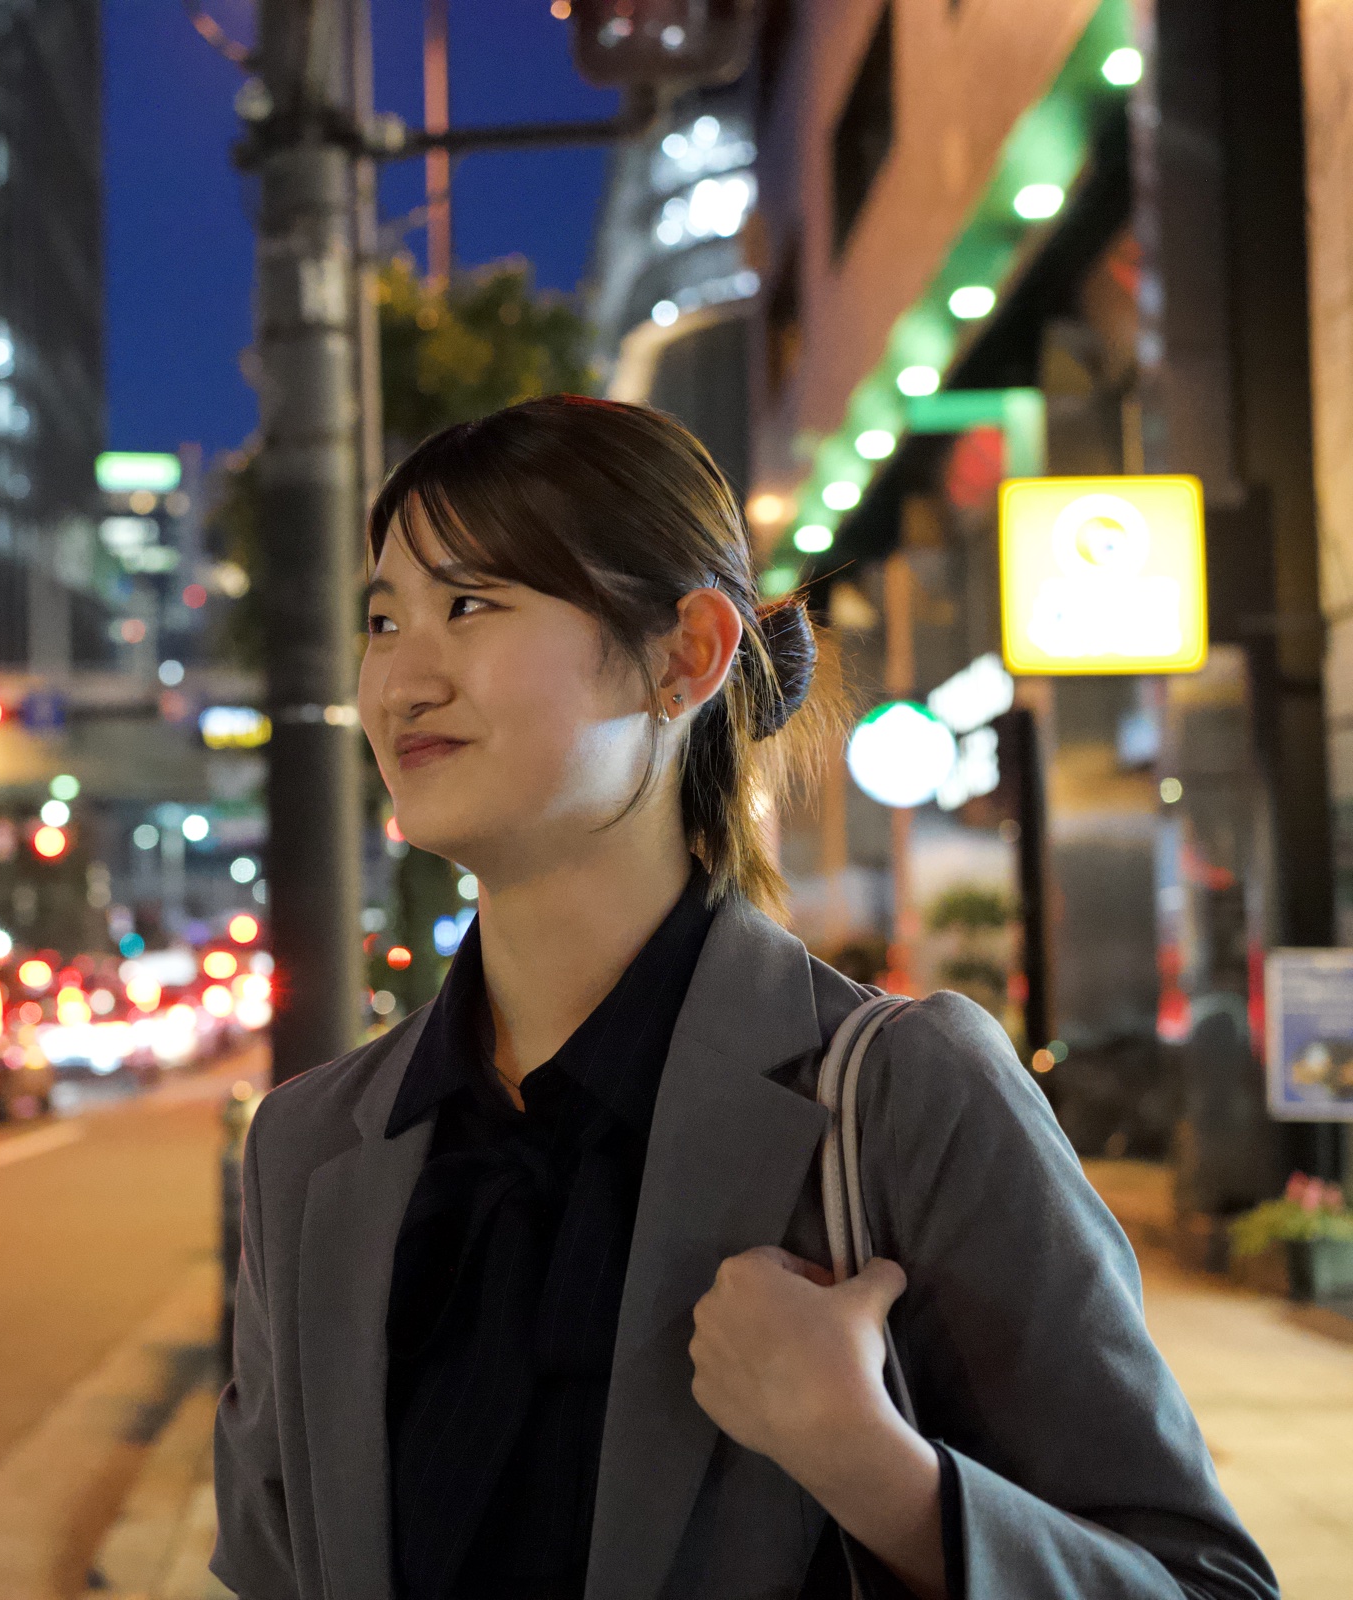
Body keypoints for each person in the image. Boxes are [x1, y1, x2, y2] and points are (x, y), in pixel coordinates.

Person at [211, 396, 1275, 1600]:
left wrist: (874, 1468)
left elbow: (1205, 1583)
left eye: (469, 605)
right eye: (382, 618)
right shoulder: (310, 1149)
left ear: (686, 655)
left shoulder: (903, 1095)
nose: (400, 678)